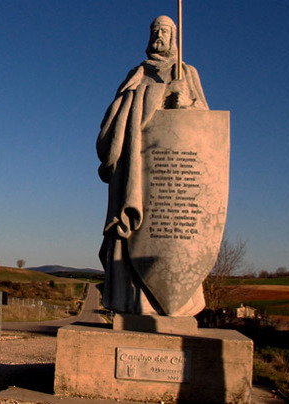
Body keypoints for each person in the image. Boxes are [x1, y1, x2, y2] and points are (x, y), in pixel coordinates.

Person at [96, 15, 208, 316]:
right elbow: (114, 122)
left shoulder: (186, 72)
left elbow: (205, 130)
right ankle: (130, 302)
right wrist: (155, 94)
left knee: (169, 241)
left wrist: (187, 103)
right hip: (134, 169)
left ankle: (172, 302)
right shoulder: (137, 73)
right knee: (130, 235)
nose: (158, 36)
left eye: (165, 31)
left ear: (175, 38)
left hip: (171, 178)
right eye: (155, 31)